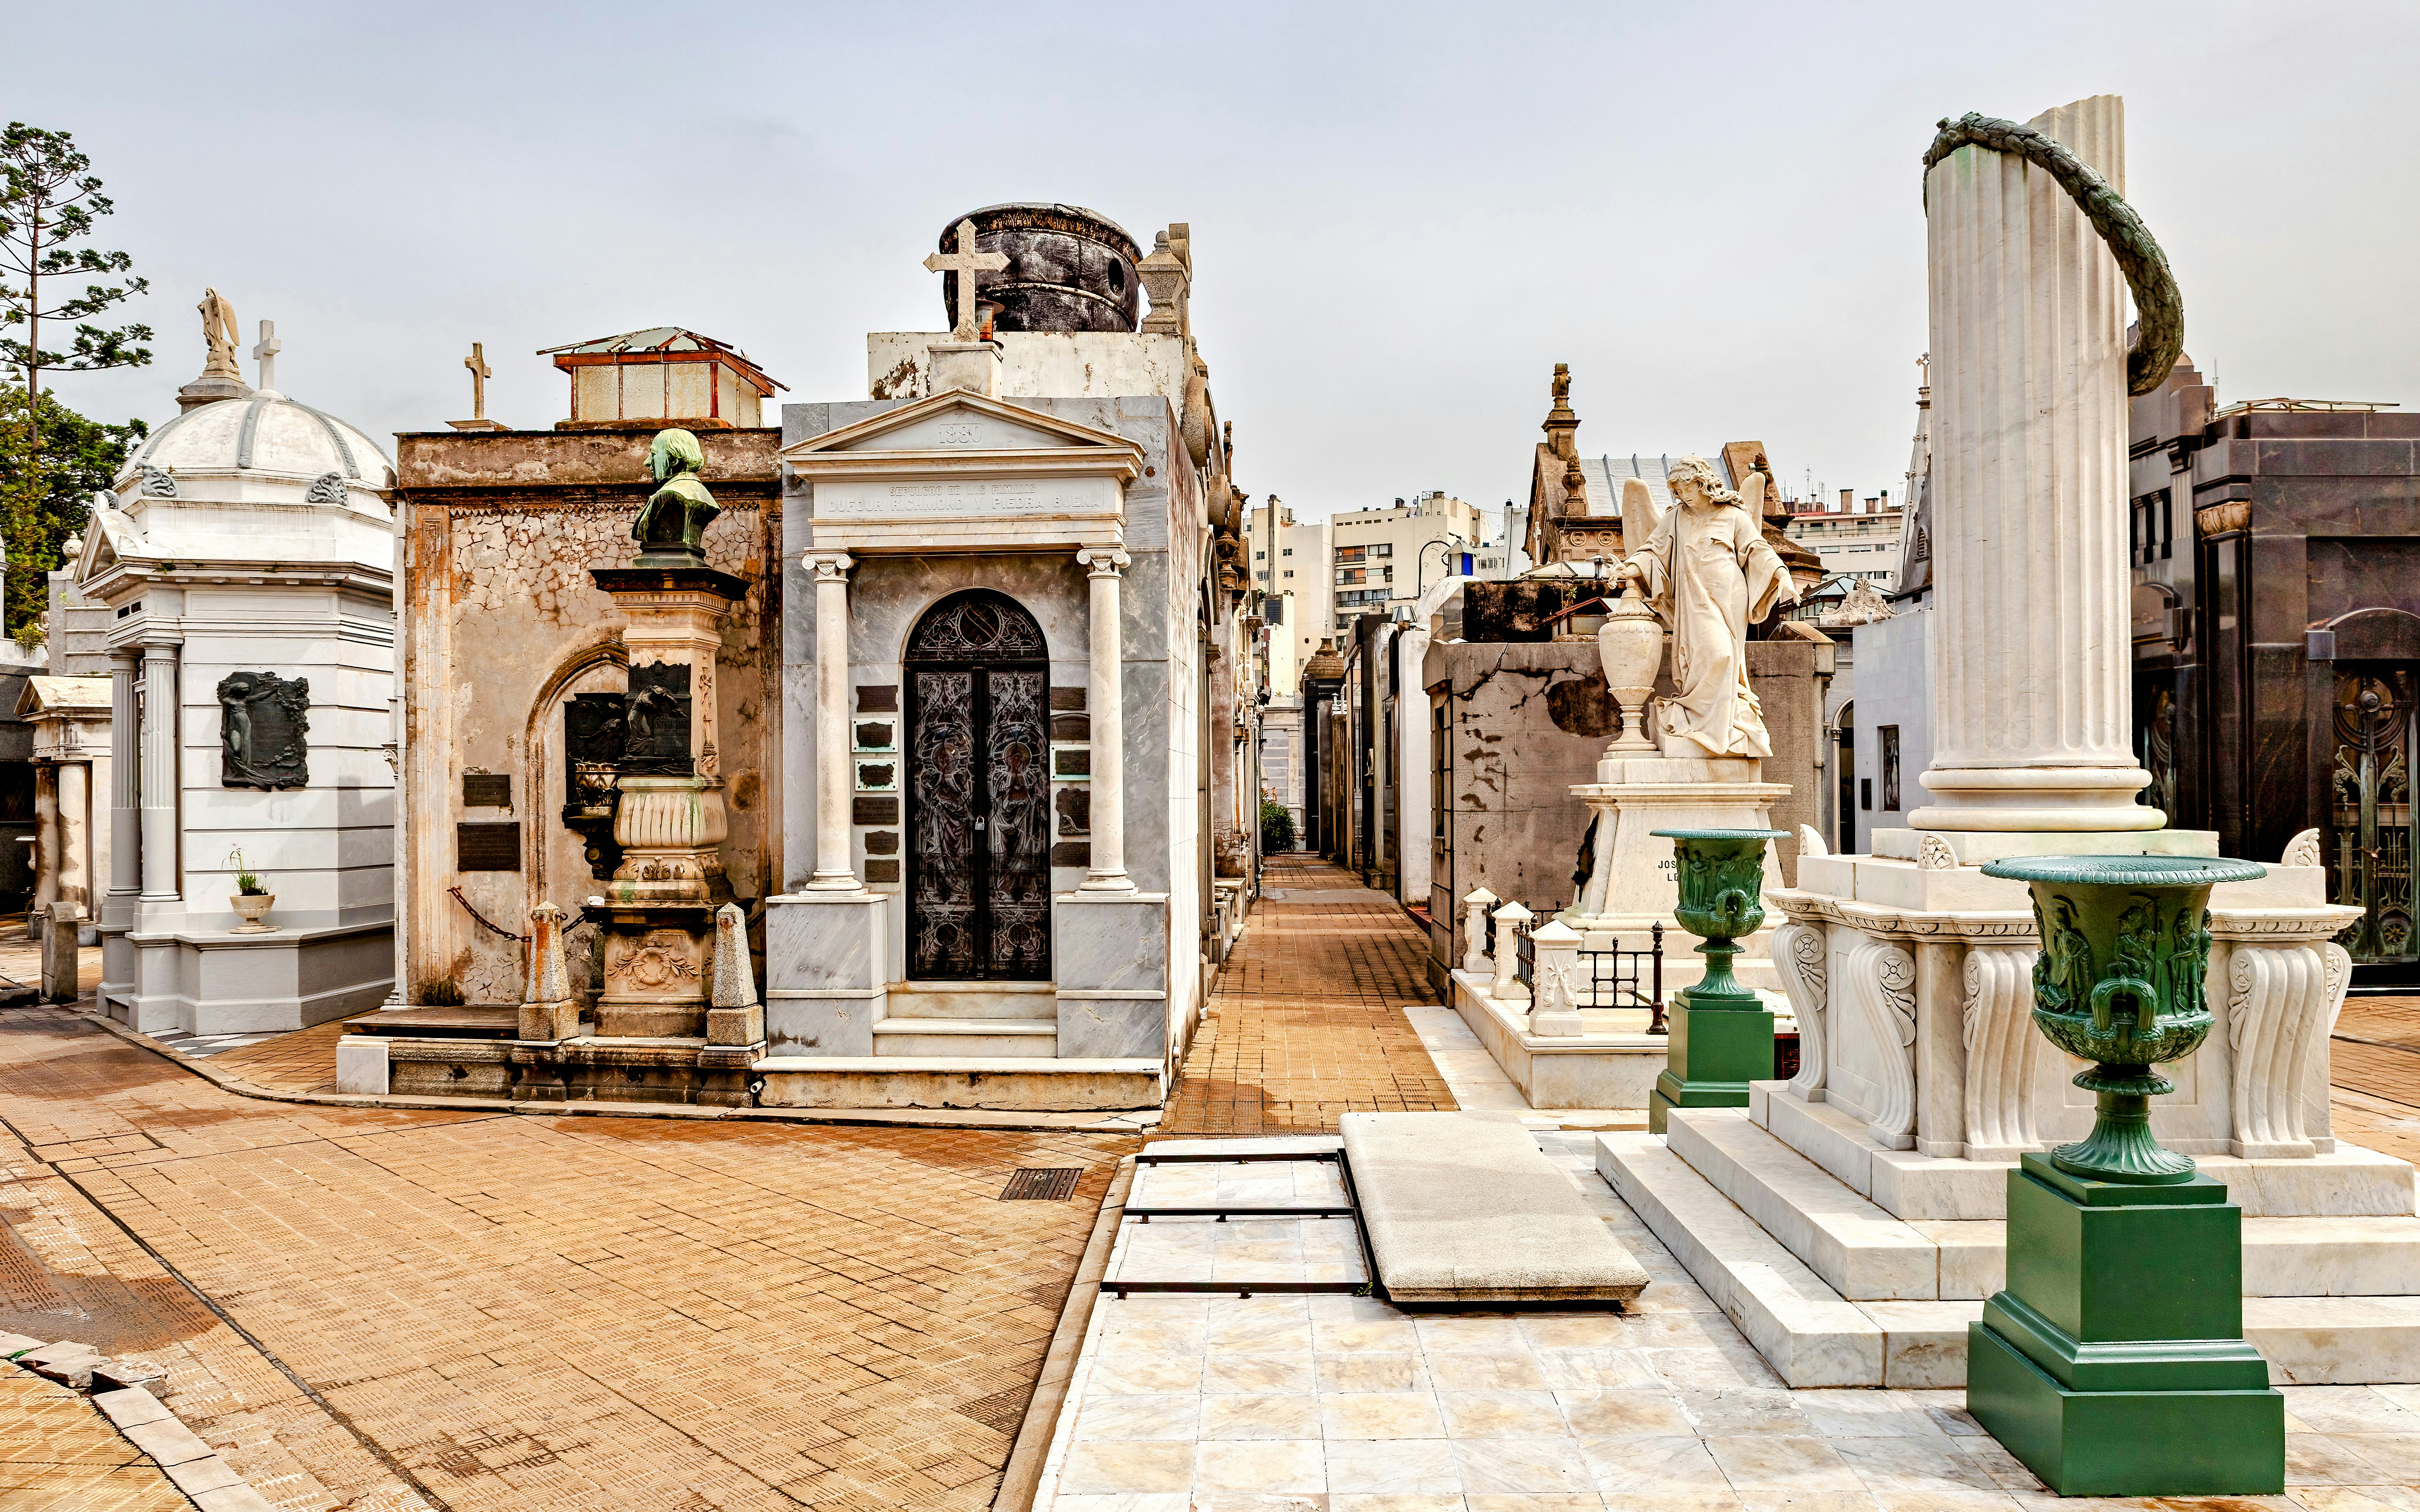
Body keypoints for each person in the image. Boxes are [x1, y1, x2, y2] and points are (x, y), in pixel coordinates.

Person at [1614, 456, 1799, 759]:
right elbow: (1653, 552)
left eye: (1687, 487)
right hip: (1694, 597)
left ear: (1703, 483)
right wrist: (1630, 569)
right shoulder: (1676, 518)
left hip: (1729, 596)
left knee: (1728, 654)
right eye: (1677, 490)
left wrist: (1783, 577)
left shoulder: (1733, 515)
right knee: (1718, 655)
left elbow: (1757, 549)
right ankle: (1706, 726)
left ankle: (1720, 725)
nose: (1682, 495)